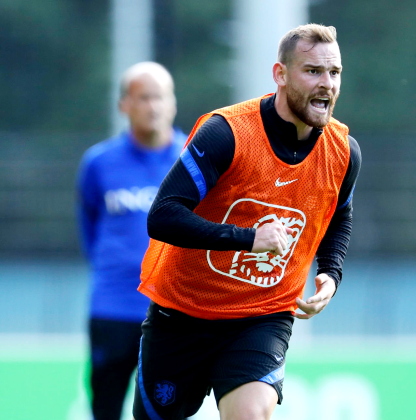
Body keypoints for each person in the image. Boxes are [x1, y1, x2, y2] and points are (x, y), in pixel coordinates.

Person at [133, 23, 362, 420]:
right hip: (183, 311)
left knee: (252, 415)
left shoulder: (344, 151)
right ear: (281, 74)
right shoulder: (226, 133)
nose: (326, 84)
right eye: (312, 71)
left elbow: (339, 212)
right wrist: (247, 238)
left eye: (334, 73)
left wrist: (331, 272)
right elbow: (163, 216)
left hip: (261, 316)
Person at [76, 62, 187, 420]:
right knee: (105, 408)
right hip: (112, 308)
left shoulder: (194, 160)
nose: (153, 106)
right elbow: (89, 226)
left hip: (173, 311)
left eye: (160, 97)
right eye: (143, 98)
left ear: (173, 103)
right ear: (124, 104)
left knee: (166, 411)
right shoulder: (99, 163)